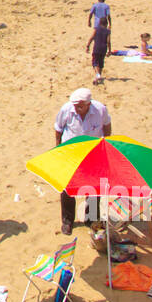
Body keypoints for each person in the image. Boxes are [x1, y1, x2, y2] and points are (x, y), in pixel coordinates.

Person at [53, 89, 112, 234]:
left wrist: (105, 143)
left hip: (93, 152)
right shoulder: (66, 110)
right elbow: (58, 129)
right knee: (68, 187)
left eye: (80, 106)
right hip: (71, 152)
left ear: (88, 104)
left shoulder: (100, 110)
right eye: (75, 105)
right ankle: (67, 221)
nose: (76, 108)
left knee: (94, 187)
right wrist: (58, 148)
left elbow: (107, 125)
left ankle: (90, 218)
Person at [87, 20, 111, 85]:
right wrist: (109, 51)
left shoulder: (97, 29)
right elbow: (108, 41)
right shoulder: (108, 31)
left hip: (97, 48)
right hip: (104, 48)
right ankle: (97, 79)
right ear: (106, 24)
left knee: (95, 62)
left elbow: (91, 38)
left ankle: (97, 75)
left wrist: (88, 46)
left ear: (100, 23)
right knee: (100, 63)